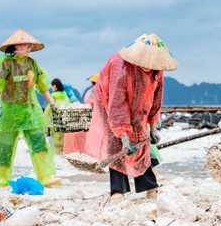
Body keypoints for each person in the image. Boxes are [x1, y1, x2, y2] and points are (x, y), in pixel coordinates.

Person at [86, 34, 177, 200]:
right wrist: (123, 135)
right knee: (116, 144)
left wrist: (153, 126)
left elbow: (156, 99)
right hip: (109, 102)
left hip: (139, 105)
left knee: (140, 141)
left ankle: (149, 186)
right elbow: (117, 105)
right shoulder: (120, 68)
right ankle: (118, 191)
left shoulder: (157, 70)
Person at [0, 29, 62, 188]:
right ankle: (2, 180)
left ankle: (45, 177)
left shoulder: (32, 63)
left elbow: (42, 85)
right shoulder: (6, 64)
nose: (29, 48)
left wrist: (52, 103)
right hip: (9, 112)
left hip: (30, 111)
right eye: (25, 45)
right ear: (15, 46)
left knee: (39, 142)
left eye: (30, 46)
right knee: (5, 147)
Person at [63, 73, 98, 156]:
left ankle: (86, 152)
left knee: (87, 137)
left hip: (87, 116)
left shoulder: (89, 92)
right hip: (96, 117)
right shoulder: (99, 91)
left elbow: (87, 103)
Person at [44, 78, 71, 155]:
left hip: (56, 123)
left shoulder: (53, 97)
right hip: (65, 124)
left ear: (55, 86)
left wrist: (45, 123)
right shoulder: (66, 97)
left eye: (52, 86)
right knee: (63, 145)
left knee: (56, 146)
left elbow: (48, 111)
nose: (51, 88)